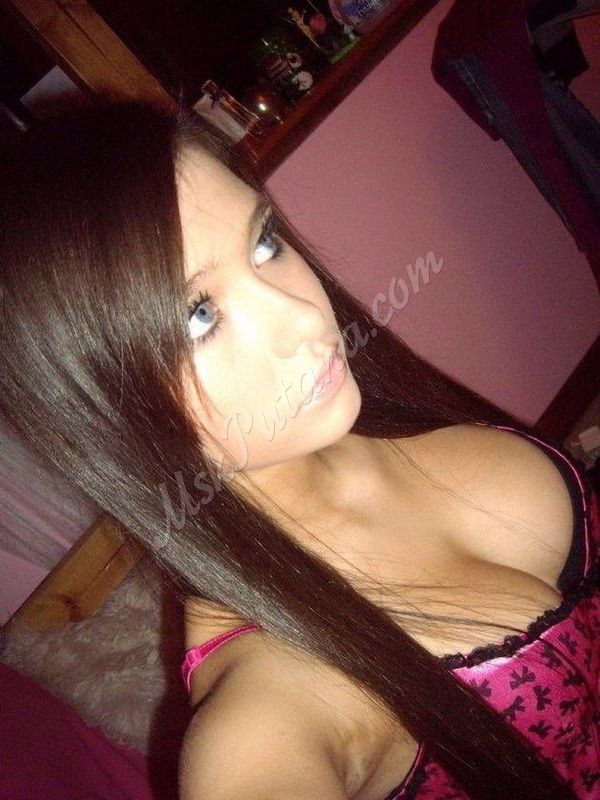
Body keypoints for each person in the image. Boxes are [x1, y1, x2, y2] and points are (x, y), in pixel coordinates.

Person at [0, 100, 597, 800]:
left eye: (264, 242)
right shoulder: (264, 708)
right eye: (199, 316)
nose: (307, 319)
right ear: (104, 407)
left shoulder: (369, 419)